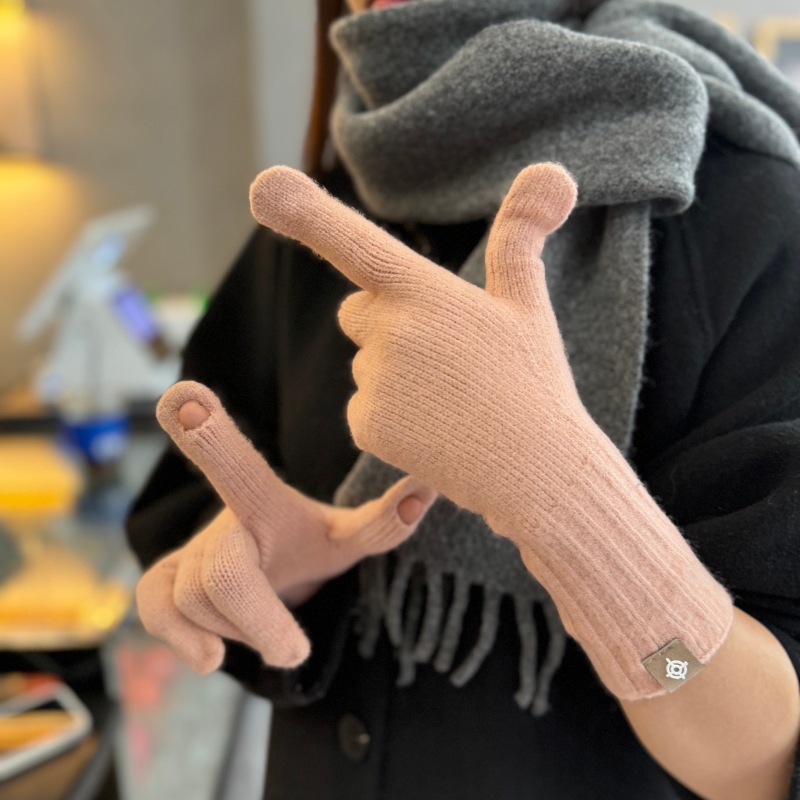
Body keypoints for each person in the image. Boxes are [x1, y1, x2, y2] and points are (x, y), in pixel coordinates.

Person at [126, 0, 800, 797]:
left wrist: (567, 497)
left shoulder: (747, 210)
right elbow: (190, 527)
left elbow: (765, 756)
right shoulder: (322, 214)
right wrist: (270, 581)